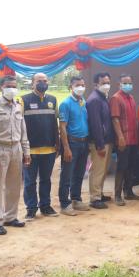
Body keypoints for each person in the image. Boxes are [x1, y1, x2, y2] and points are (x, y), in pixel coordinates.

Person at [0, 76, 30, 235]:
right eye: (8, 86)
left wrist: (26, 151)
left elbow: (23, 131)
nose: (12, 89)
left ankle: (10, 216)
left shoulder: (18, 106)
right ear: (1, 87)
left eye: (14, 86)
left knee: (14, 186)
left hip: (16, 149)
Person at [21, 73, 59, 220]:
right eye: (39, 81)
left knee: (46, 180)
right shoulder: (24, 100)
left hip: (49, 149)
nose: (42, 83)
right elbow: (20, 125)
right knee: (30, 181)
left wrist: (58, 143)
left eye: (45, 81)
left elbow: (55, 124)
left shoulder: (53, 100)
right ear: (32, 84)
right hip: (30, 150)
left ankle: (45, 206)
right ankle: (31, 208)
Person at [58, 76, 90, 216]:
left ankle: (76, 199)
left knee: (79, 173)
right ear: (71, 86)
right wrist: (66, 148)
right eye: (78, 85)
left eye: (83, 85)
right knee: (67, 174)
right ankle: (65, 204)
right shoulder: (65, 104)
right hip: (72, 142)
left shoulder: (83, 101)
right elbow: (62, 127)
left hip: (84, 141)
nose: (81, 88)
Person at [110, 74, 139, 206]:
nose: (128, 85)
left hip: (133, 139)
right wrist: (120, 137)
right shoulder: (116, 98)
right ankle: (117, 195)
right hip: (123, 140)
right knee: (121, 167)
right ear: (119, 84)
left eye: (129, 83)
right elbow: (115, 119)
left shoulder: (131, 98)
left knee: (131, 167)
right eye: (125, 83)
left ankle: (128, 192)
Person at [86, 72, 114, 210]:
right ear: (96, 84)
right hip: (99, 142)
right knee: (97, 170)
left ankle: (100, 193)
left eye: (108, 82)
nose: (106, 85)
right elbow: (96, 124)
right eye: (103, 82)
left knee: (103, 169)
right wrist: (100, 144)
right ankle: (95, 198)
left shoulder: (104, 98)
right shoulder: (95, 100)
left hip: (107, 140)